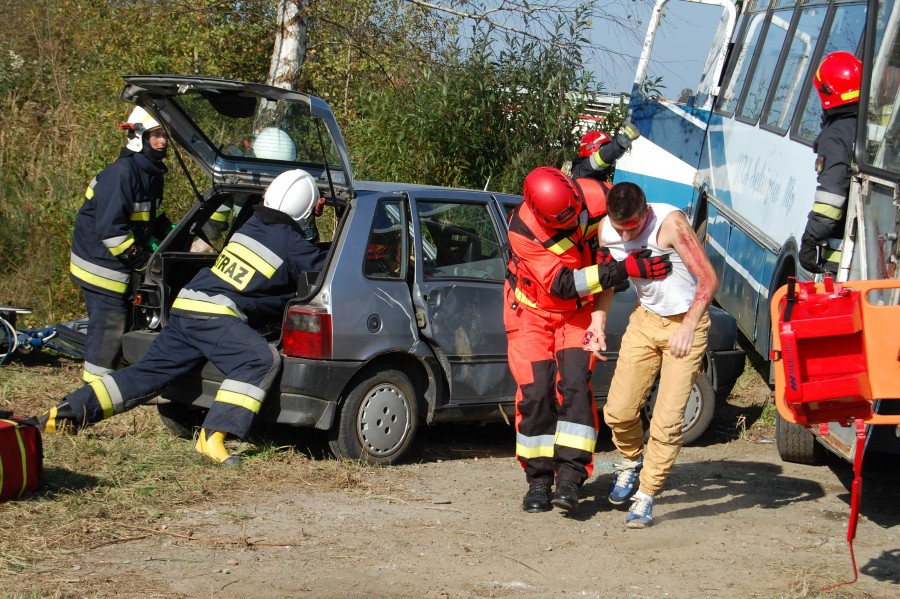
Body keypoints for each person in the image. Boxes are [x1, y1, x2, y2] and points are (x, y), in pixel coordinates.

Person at [40, 169, 327, 465]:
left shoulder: (251, 225)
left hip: (188, 303)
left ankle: (62, 416)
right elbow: (326, 275)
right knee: (260, 360)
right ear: (309, 210)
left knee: (146, 374)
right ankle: (214, 437)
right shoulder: (293, 243)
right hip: (216, 314)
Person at [505, 167, 671, 513]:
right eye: (561, 223)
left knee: (577, 387)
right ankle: (538, 482)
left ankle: (570, 479)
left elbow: (635, 214)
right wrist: (623, 270)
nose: (572, 224)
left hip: (577, 313)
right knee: (535, 394)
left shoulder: (596, 193)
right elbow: (564, 285)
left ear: (575, 195)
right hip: (532, 311)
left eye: (575, 214)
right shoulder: (522, 230)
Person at [585, 181, 718, 528]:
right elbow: (608, 283)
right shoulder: (606, 231)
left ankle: (646, 496)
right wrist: (597, 323)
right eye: (620, 228)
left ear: (645, 212)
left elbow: (708, 280)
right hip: (644, 321)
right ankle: (631, 462)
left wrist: (688, 326)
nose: (627, 234)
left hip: (685, 324)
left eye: (633, 227)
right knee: (617, 411)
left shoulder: (670, 224)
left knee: (666, 421)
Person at [69, 106, 173, 384]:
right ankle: (92, 394)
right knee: (109, 326)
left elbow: (150, 217)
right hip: (101, 265)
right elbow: (112, 230)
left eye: (165, 134)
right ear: (138, 136)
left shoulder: (150, 175)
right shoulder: (121, 174)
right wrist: (141, 260)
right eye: (156, 135)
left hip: (118, 264)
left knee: (120, 324)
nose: (163, 141)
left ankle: (110, 384)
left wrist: (172, 235)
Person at [799, 51, 862, 275]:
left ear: (828, 92)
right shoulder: (868, 125)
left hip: (842, 256)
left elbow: (831, 197)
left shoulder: (836, 134)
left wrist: (810, 239)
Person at [569, 124, 641, 181]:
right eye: (604, 148)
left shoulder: (597, 174)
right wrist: (623, 140)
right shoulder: (583, 168)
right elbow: (603, 157)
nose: (606, 150)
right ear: (592, 148)